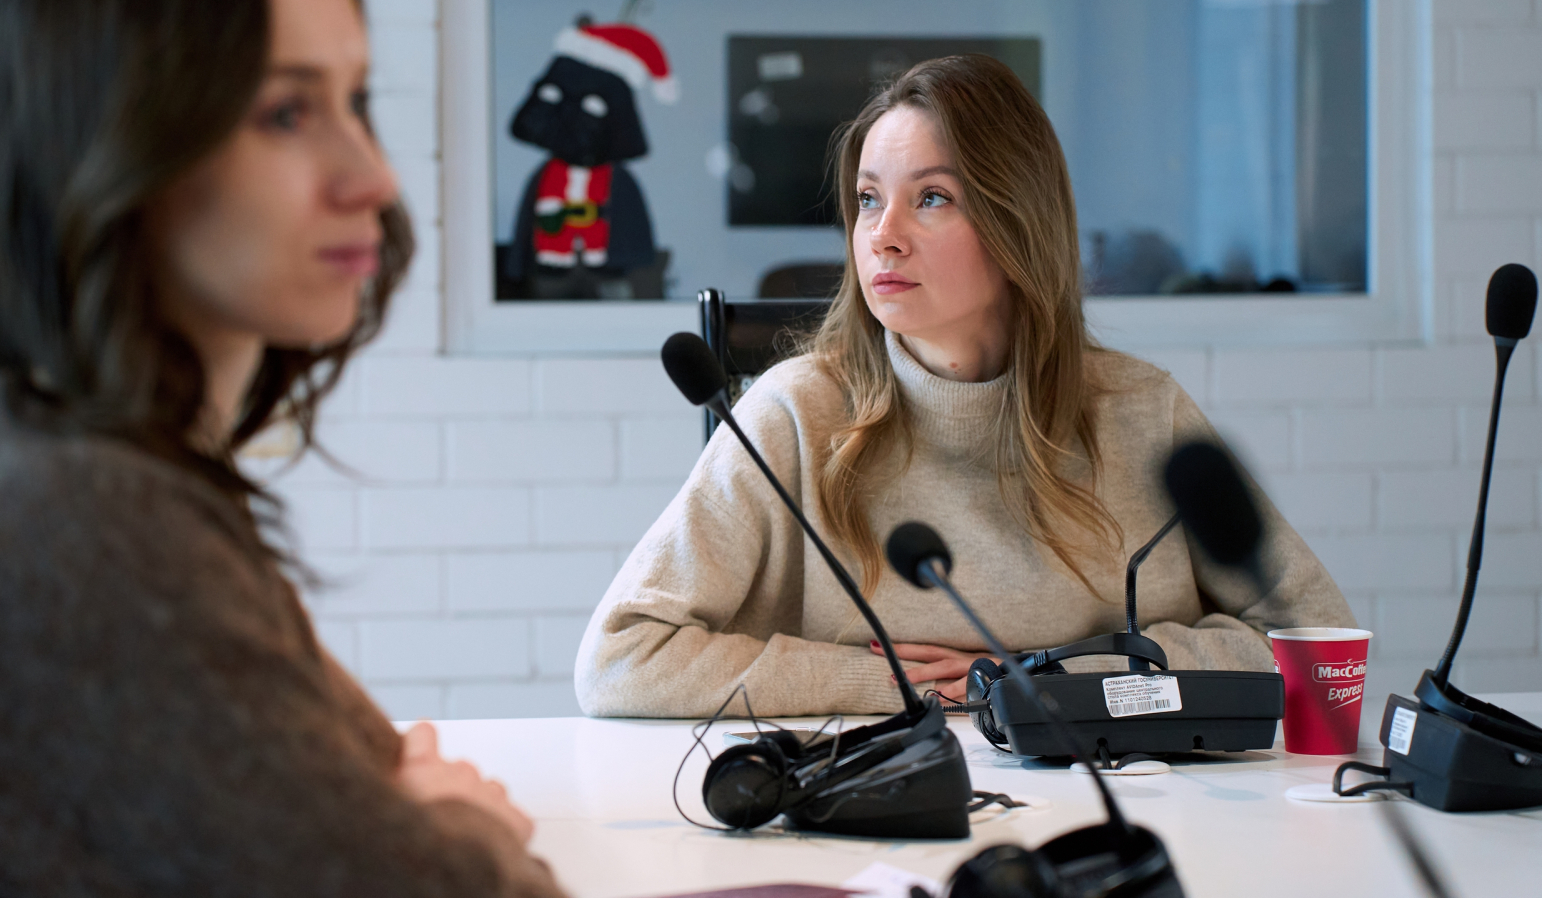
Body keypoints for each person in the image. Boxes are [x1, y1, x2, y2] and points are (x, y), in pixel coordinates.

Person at [0, 0, 563, 896]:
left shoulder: (109, 473)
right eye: (286, 113)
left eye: (356, 102)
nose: (372, 178)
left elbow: (364, 790)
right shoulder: (79, 519)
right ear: (109, 143)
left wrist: (422, 815)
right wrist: (463, 821)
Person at [576, 55, 1354, 719]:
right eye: (869, 199)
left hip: (1111, 801)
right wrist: (880, 682)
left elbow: (1316, 642)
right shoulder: (794, 412)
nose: (882, 235)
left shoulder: (1142, 410)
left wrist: (1054, 678)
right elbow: (620, 658)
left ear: (1018, 222)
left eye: (932, 197)